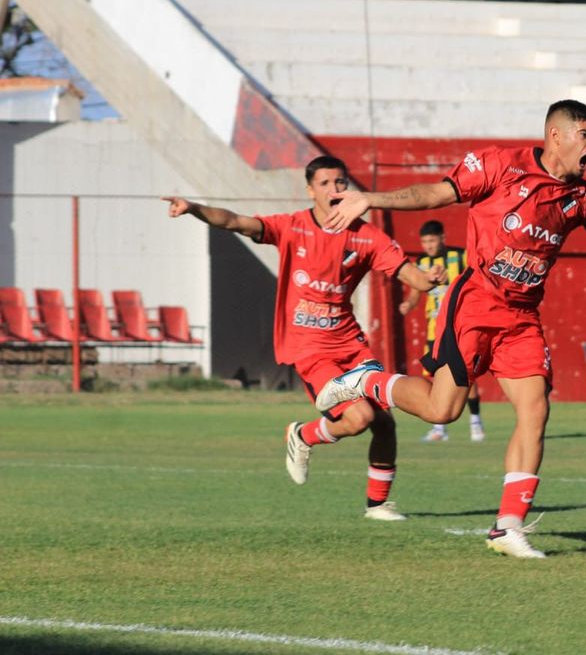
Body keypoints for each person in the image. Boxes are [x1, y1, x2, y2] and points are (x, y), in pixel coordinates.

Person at [314, 99, 586, 558]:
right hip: (476, 302)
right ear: (556, 135)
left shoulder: (585, 199)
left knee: (535, 410)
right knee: (443, 411)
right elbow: (437, 193)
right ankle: (366, 381)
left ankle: (508, 527)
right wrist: (371, 199)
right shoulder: (500, 165)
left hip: (522, 318)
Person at [162, 155, 445, 521]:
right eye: (325, 184)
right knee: (358, 418)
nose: (334, 190)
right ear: (310, 190)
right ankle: (306, 435)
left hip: (350, 344)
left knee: (385, 422)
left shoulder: (366, 236)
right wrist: (194, 208)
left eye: (340, 182)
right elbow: (233, 221)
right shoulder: (292, 227)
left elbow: (414, 277)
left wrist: (431, 278)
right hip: (309, 348)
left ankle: (377, 505)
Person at [399, 219, 485, 443]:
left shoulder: (461, 256)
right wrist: (410, 304)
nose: (428, 245)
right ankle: (439, 428)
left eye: (432, 240)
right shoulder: (422, 262)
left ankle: (475, 422)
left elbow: (477, 280)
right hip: (433, 331)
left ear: (442, 238)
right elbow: (417, 290)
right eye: (424, 241)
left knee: (464, 376)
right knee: (437, 378)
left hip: (459, 328)